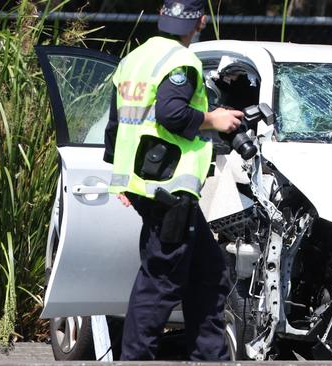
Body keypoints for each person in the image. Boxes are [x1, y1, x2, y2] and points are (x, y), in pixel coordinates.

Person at [102, 0, 244, 360]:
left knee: (209, 275)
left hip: (149, 186)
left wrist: (123, 182)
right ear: (199, 22)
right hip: (169, 189)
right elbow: (171, 113)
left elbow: (115, 128)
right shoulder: (181, 62)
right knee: (160, 281)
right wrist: (216, 119)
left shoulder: (133, 60)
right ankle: (135, 360)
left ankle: (210, 357)